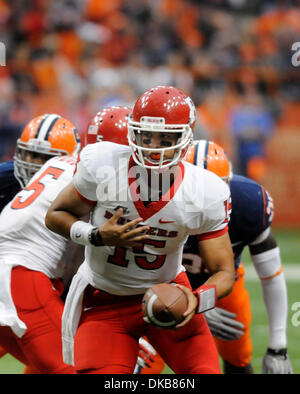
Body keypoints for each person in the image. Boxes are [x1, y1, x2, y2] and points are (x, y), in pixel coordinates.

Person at [45, 85, 235, 374]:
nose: (153, 146)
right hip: (105, 301)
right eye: (146, 135)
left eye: (165, 137)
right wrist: (96, 236)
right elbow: (56, 214)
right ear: (133, 131)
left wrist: (197, 300)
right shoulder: (103, 164)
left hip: (170, 292)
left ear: (185, 138)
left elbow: (224, 272)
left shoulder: (205, 190)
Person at [0, 107, 131, 374]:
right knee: (78, 365)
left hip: (18, 272)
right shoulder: (105, 179)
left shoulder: (57, 165)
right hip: (22, 275)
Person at [183, 140, 293, 374]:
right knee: (147, 364)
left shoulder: (248, 203)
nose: (203, 202)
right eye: (195, 191)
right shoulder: (157, 202)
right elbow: (143, 271)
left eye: (213, 192)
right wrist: (192, 305)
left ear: (228, 186)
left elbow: (271, 275)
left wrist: (278, 347)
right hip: (167, 287)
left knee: (238, 356)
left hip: (224, 284)